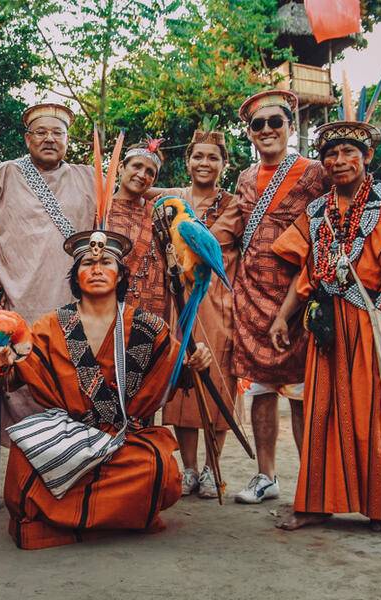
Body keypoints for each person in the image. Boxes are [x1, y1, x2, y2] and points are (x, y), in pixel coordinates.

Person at [270, 119, 381, 533]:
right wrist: (283, 317)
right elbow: (305, 275)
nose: (339, 161)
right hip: (328, 326)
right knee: (321, 414)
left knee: (378, 411)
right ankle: (316, 503)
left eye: (349, 152)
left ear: (367, 157)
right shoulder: (317, 211)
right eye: (331, 155)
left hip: (373, 321)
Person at [0, 230, 212, 549]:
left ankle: (75, 518)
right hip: (66, 435)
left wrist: (198, 363)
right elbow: (14, 376)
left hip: (122, 439)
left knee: (159, 469)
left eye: (106, 262)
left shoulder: (148, 326)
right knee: (24, 460)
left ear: (120, 275)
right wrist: (0, 363)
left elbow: (179, 374)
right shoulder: (49, 326)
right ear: (75, 276)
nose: (96, 269)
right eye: (86, 263)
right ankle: (117, 517)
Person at [210, 90, 328, 504]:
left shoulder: (316, 172)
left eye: (275, 122)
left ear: (290, 127)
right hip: (251, 293)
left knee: (299, 393)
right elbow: (231, 225)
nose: (266, 131)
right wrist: (190, 241)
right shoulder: (244, 177)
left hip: (300, 293)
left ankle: (312, 482)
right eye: (258, 125)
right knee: (259, 390)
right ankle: (266, 476)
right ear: (249, 132)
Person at [0, 103, 96, 427]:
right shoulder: (6, 173)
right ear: (27, 139)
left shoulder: (88, 177)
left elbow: (127, 204)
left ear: (69, 140)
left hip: (72, 303)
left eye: (58, 133)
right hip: (15, 300)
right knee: (19, 382)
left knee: (68, 386)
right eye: (41, 132)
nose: (50, 139)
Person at [148, 126, 241, 498]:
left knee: (218, 383)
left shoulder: (236, 204)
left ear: (224, 164)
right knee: (183, 380)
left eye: (213, 157)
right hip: (179, 302)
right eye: (198, 156)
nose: (205, 163)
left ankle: (211, 467)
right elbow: (134, 188)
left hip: (219, 305)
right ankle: (187, 469)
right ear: (187, 161)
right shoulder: (171, 198)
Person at [106, 138, 169, 318]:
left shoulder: (159, 213)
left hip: (153, 308)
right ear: (121, 167)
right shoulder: (100, 210)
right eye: (137, 166)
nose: (142, 175)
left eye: (150, 172)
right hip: (108, 306)